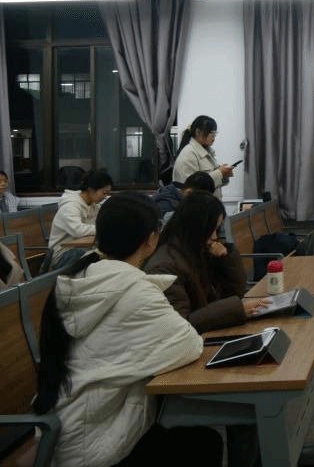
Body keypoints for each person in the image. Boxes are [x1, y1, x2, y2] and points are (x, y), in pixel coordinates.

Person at [33, 192, 222, 467]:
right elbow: (188, 345)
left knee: (198, 437)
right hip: (95, 447)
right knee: (204, 443)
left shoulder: (80, 276)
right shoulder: (133, 290)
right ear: (151, 239)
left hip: (67, 434)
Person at [144, 191, 269, 334]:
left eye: (217, 229)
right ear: (196, 227)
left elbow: (235, 293)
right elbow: (181, 324)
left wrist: (226, 258)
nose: (215, 237)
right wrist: (237, 310)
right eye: (211, 229)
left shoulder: (197, 250)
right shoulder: (164, 267)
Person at [45, 170, 113, 272]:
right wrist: (102, 229)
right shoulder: (70, 206)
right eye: (104, 193)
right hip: (63, 254)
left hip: (82, 248)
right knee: (95, 255)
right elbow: (78, 230)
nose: (104, 197)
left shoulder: (94, 205)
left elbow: (102, 222)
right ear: (91, 189)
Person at [172, 115, 234, 200]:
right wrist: (219, 173)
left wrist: (224, 175)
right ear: (198, 132)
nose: (213, 136)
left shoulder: (207, 152)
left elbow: (213, 184)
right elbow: (191, 189)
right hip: (197, 206)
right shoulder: (188, 155)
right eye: (211, 133)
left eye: (215, 133)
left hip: (209, 204)